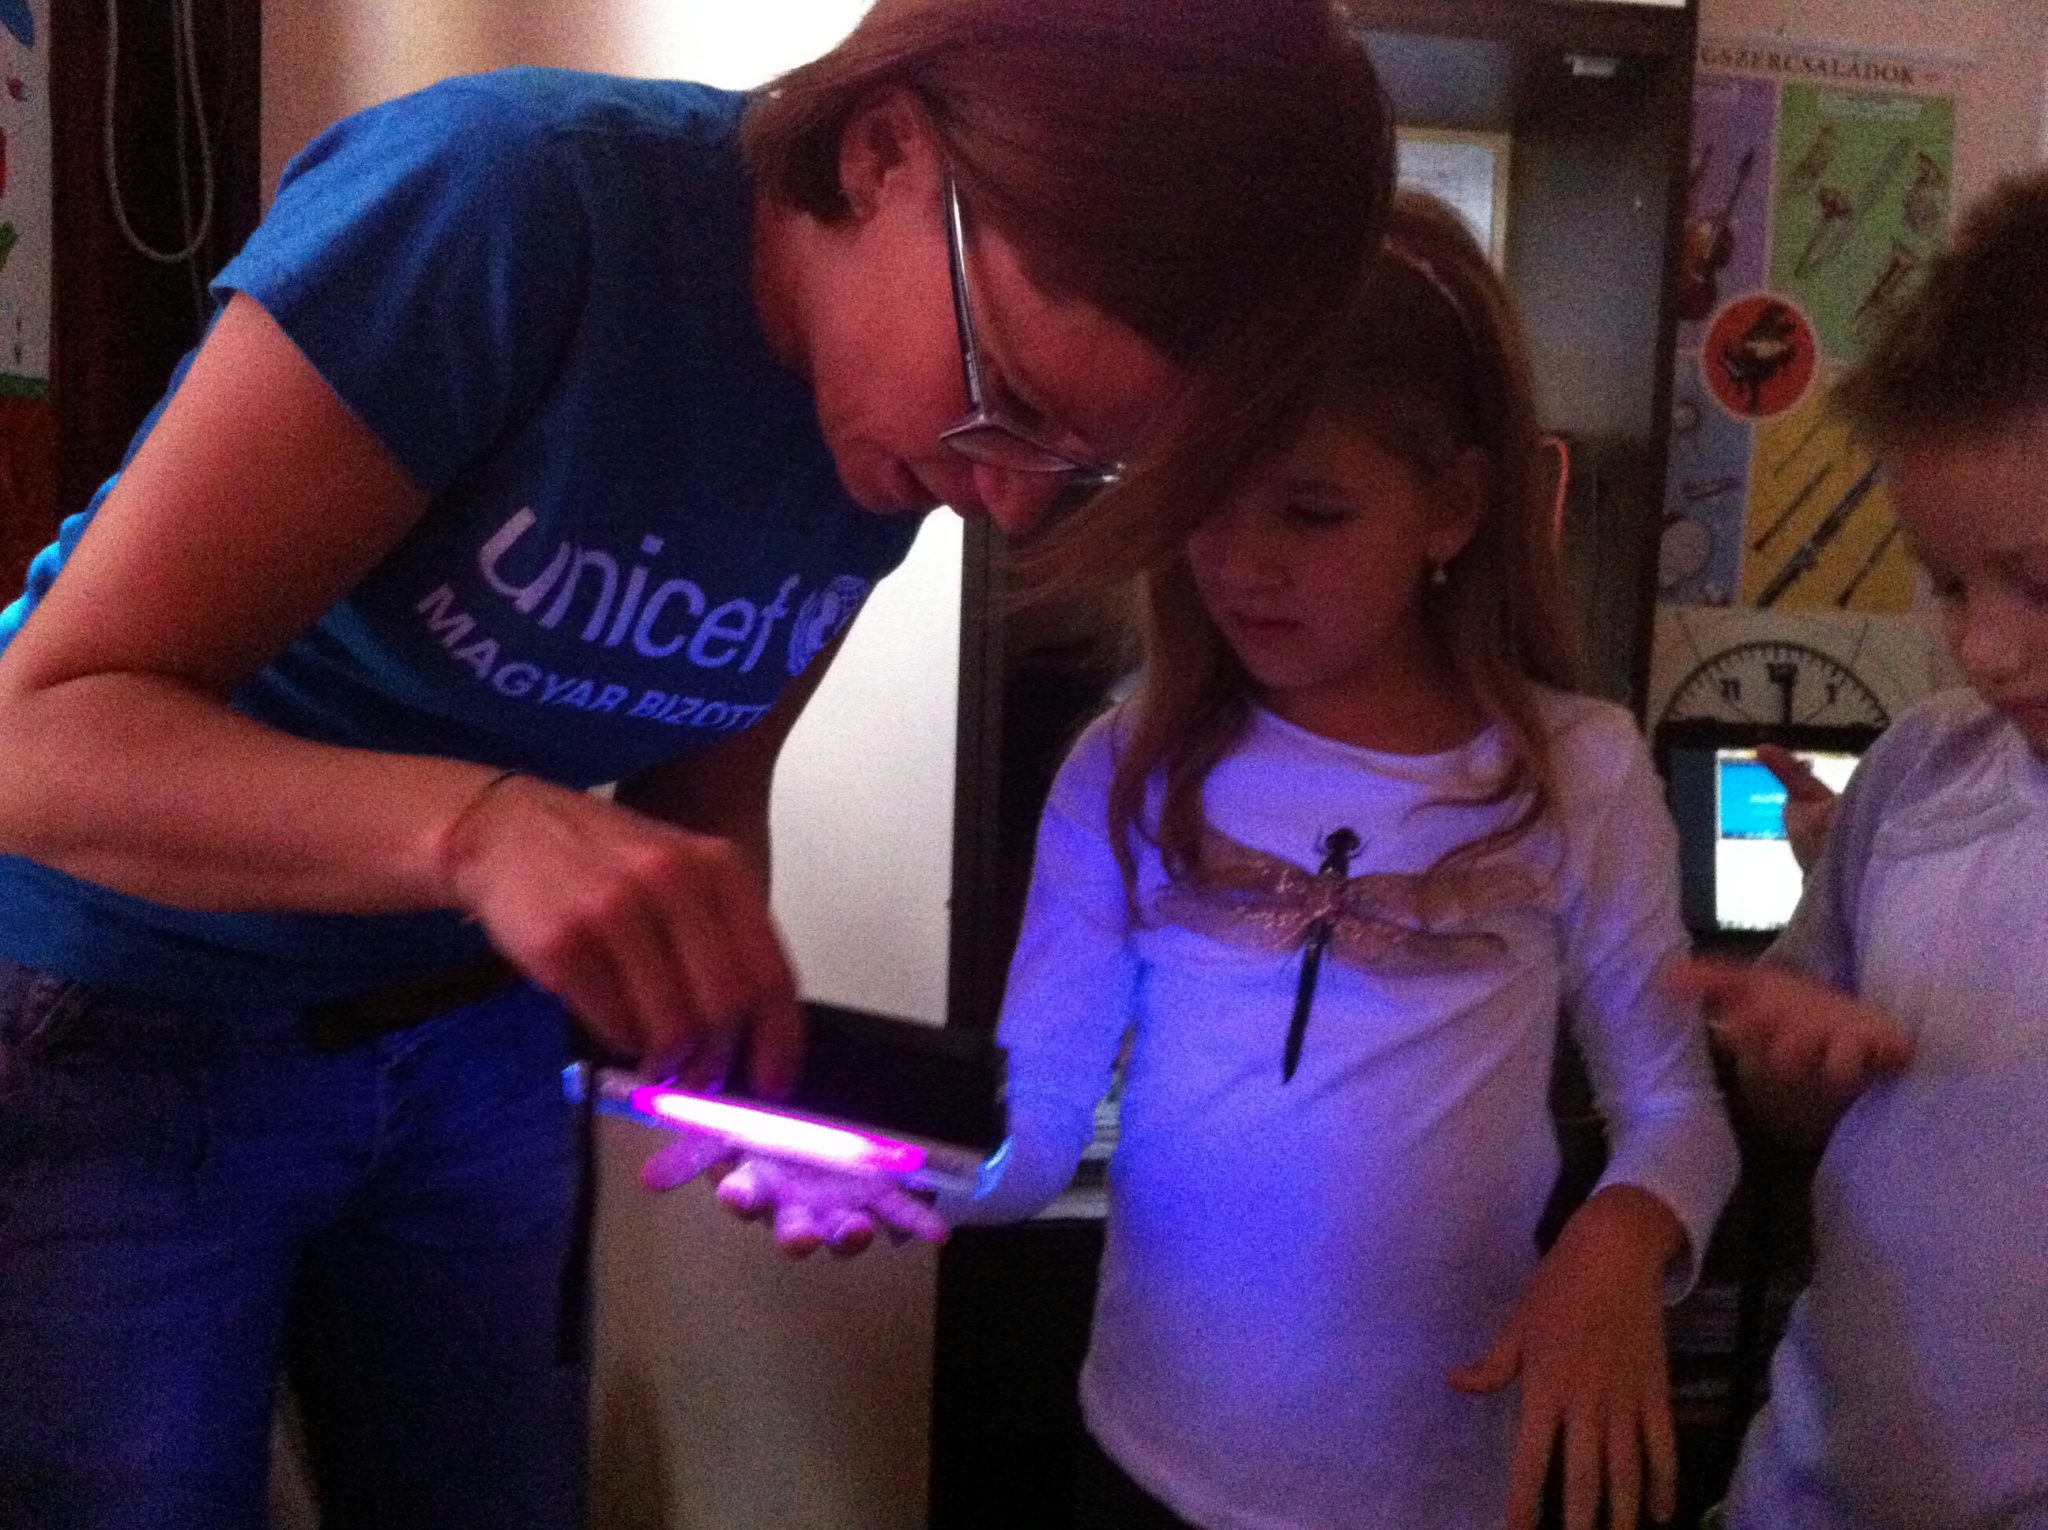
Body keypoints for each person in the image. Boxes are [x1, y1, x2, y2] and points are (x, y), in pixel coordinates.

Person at [0, 4, 1398, 1525]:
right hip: (115, 1017)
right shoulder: (511, 207)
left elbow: (706, 801)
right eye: (1009, 397)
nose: (1000, 500)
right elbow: (37, 735)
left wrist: (746, 1078)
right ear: (882, 151)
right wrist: (478, 832)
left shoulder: (889, 437)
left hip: (471, 1028)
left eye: (1079, 463)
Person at [918, 191, 1739, 1530]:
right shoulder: (1127, 766)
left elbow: (1676, 1109)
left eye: (1311, 511)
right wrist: (897, 1172)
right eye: (1206, 499)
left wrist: (1625, 1229)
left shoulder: (1574, 773)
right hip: (1146, 1468)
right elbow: (1039, 1122)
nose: (1242, 565)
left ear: (1452, 506)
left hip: (1440, 1488)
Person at [1682, 167, 2048, 1530]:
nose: (1984, 648)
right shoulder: (1915, 774)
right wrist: (1793, 1059)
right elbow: (1804, 1109)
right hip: (1808, 1487)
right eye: (1949, 582)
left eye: (2040, 585)